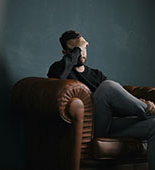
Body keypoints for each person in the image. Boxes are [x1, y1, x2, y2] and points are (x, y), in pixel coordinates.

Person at [47, 30, 155, 170]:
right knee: (107, 86)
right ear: (65, 53)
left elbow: (116, 102)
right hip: (90, 128)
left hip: (110, 125)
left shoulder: (97, 75)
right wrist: (78, 49)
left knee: (154, 125)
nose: (81, 52)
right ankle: (148, 110)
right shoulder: (59, 69)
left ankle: (148, 111)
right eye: (76, 49)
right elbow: (56, 80)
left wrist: (136, 102)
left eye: (83, 48)